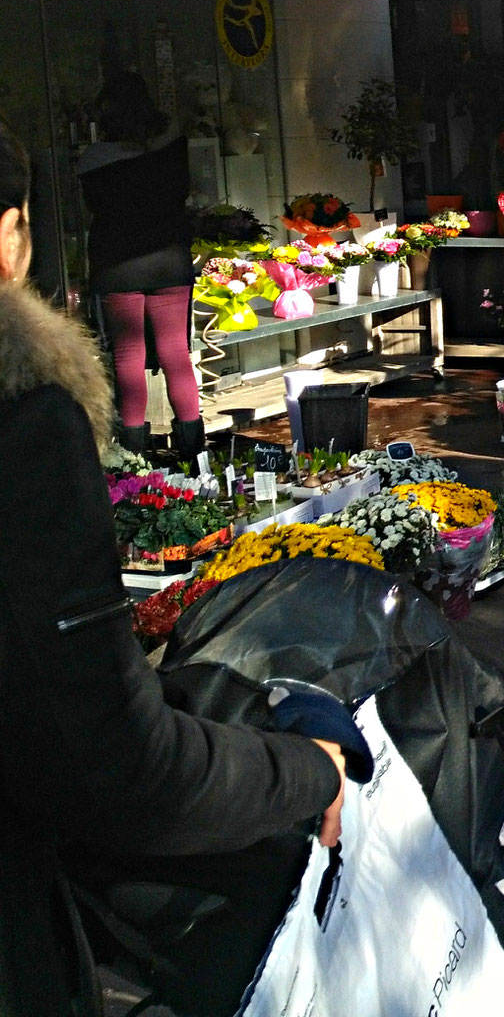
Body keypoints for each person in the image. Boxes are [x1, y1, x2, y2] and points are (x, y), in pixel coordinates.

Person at [0, 120, 354, 1016]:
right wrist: (306, 772)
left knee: (131, 362)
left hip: (126, 276)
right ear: (10, 239)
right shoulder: (24, 435)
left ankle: (168, 453)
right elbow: (119, 767)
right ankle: (183, 453)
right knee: (172, 365)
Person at [74, 72, 204, 460]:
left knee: (128, 356)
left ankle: (133, 456)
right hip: (168, 261)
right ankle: (195, 454)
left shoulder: (94, 159)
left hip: (118, 266)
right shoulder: (173, 149)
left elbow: (95, 206)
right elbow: (183, 192)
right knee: (176, 354)